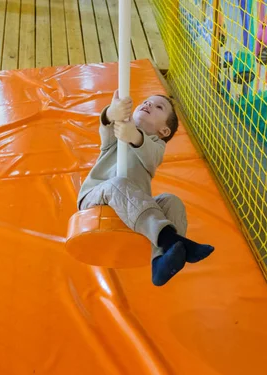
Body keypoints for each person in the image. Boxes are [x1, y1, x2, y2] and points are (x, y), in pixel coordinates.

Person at [77, 91, 214, 286]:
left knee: (171, 201)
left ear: (164, 132)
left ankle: (161, 262)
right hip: (96, 198)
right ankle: (170, 240)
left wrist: (133, 135)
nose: (148, 105)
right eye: (147, 101)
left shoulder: (157, 147)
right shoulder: (116, 134)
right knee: (117, 183)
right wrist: (112, 113)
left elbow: (147, 152)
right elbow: (106, 125)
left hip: (131, 208)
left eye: (158, 107)